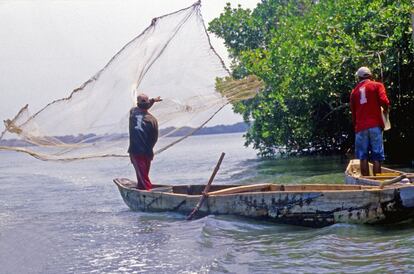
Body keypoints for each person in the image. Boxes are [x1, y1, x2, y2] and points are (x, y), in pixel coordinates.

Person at [350, 66, 390, 176]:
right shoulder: (377, 85)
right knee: (377, 156)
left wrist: (356, 126)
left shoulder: (354, 92)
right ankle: (377, 181)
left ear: (358, 78)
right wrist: (385, 110)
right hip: (375, 125)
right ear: (370, 75)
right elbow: (384, 101)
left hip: (361, 127)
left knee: (362, 157)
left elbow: (353, 113)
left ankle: (366, 181)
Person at [128, 93, 162, 190]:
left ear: (137, 103)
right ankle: (143, 189)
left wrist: (152, 100)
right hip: (146, 152)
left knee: (143, 177)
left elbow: (142, 106)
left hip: (136, 151)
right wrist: (152, 101)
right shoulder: (152, 120)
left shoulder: (133, 112)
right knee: (143, 175)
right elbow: (154, 138)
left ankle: (146, 192)